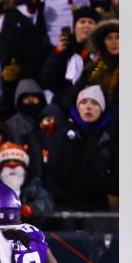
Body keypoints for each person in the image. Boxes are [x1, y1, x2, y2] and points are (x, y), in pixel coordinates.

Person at [44, 84, 116, 213]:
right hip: (66, 207)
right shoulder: (63, 134)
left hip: (100, 208)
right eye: (84, 102)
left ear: (102, 108)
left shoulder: (111, 137)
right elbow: (53, 171)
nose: (88, 106)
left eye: (94, 103)